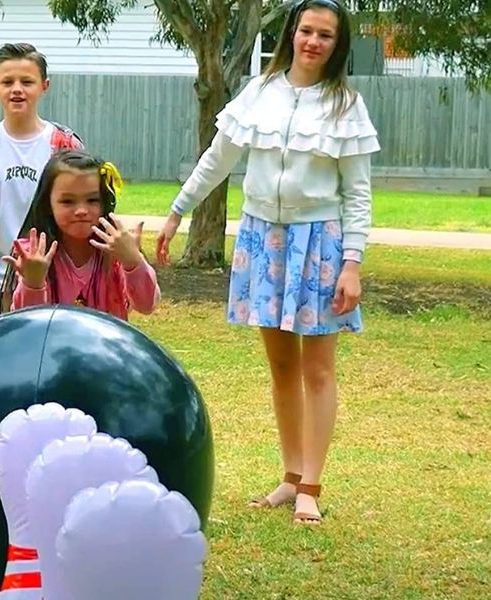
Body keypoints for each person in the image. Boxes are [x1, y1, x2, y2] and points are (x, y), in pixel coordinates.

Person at [155, 0, 380, 525]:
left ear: (336, 43)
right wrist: (176, 211)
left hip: (319, 241)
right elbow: (218, 158)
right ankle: (290, 476)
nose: (313, 41)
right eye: (306, 30)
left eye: (326, 34)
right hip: (264, 240)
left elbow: (358, 194)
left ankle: (312, 487)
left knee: (318, 369)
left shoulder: (346, 105)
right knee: (281, 366)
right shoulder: (259, 92)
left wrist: (352, 263)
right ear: (292, 34)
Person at [0, 43, 84, 327]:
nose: (17, 89)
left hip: (53, 281)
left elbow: (82, 220)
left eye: (27, 81)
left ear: (44, 86)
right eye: (7, 81)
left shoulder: (66, 146)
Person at [4, 149, 160, 320]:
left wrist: (133, 262)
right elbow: (26, 323)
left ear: (105, 203)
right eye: (67, 201)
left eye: (92, 200)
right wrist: (33, 283)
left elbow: (147, 306)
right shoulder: (34, 255)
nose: (81, 211)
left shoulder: (116, 251)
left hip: (105, 346)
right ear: (48, 204)